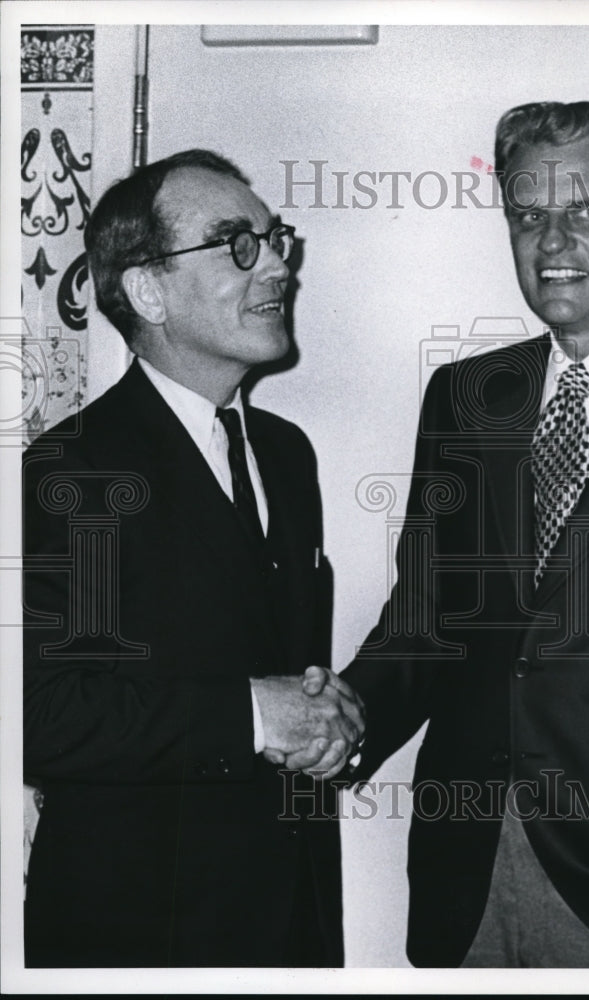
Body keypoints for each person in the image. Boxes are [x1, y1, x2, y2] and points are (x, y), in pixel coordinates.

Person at [301, 101, 589, 967]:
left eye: (584, 211)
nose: (552, 241)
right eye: (528, 215)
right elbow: (426, 618)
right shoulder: (465, 400)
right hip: (465, 871)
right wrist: (340, 720)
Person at [23, 148, 364, 968]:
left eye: (275, 237)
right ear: (147, 290)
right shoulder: (69, 471)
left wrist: (329, 724)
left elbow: (275, 663)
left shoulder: (286, 453)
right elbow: (36, 714)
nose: (278, 263)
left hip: (293, 923)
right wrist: (252, 713)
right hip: (139, 937)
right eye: (236, 243)